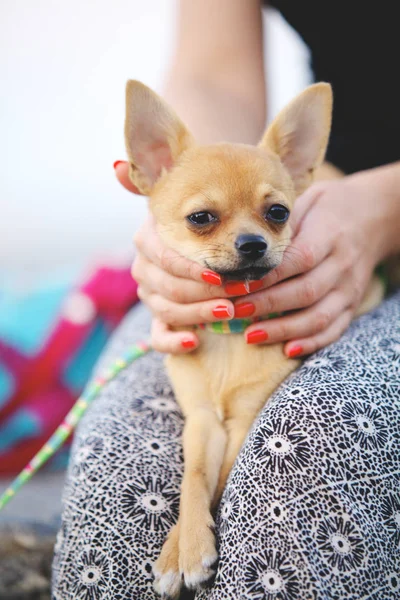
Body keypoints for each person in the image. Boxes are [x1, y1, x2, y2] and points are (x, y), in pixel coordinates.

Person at [52, 1, 400, 598]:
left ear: (296, 169)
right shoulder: (230, 199)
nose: (244, 234)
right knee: (121, 465)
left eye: (269, 216)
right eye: (206, 219)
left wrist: (383, 211)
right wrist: (184, 180)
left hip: (359, 240)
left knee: (305, 453)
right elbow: (213, 77)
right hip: (309, 230)